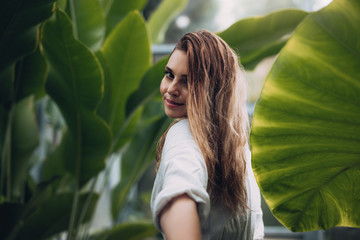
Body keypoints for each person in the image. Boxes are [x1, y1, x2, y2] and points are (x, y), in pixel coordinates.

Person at [150, 30, 264, 240]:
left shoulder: (183, 134)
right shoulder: (239, 151)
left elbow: (178, 197)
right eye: (169, 75)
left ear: (213, 90)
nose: (171, 89)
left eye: (187, 81)